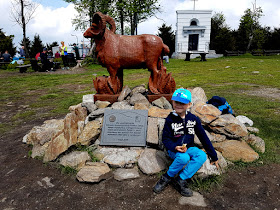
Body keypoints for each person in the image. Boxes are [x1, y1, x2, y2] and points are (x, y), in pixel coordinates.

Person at [153, 88, 219, 197]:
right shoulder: (170, 119)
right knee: (184, 158)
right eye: (176, 102)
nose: (179, 105)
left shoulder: (193, 119)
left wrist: (214, 156)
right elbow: (165, 139)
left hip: (189, 148)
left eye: (182, 103)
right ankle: (166, 177)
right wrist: (174, 147)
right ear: (172, 102)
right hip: (174, 149)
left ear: (189, 104)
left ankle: (181, 179)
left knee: (201, 155)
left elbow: (203, 137)